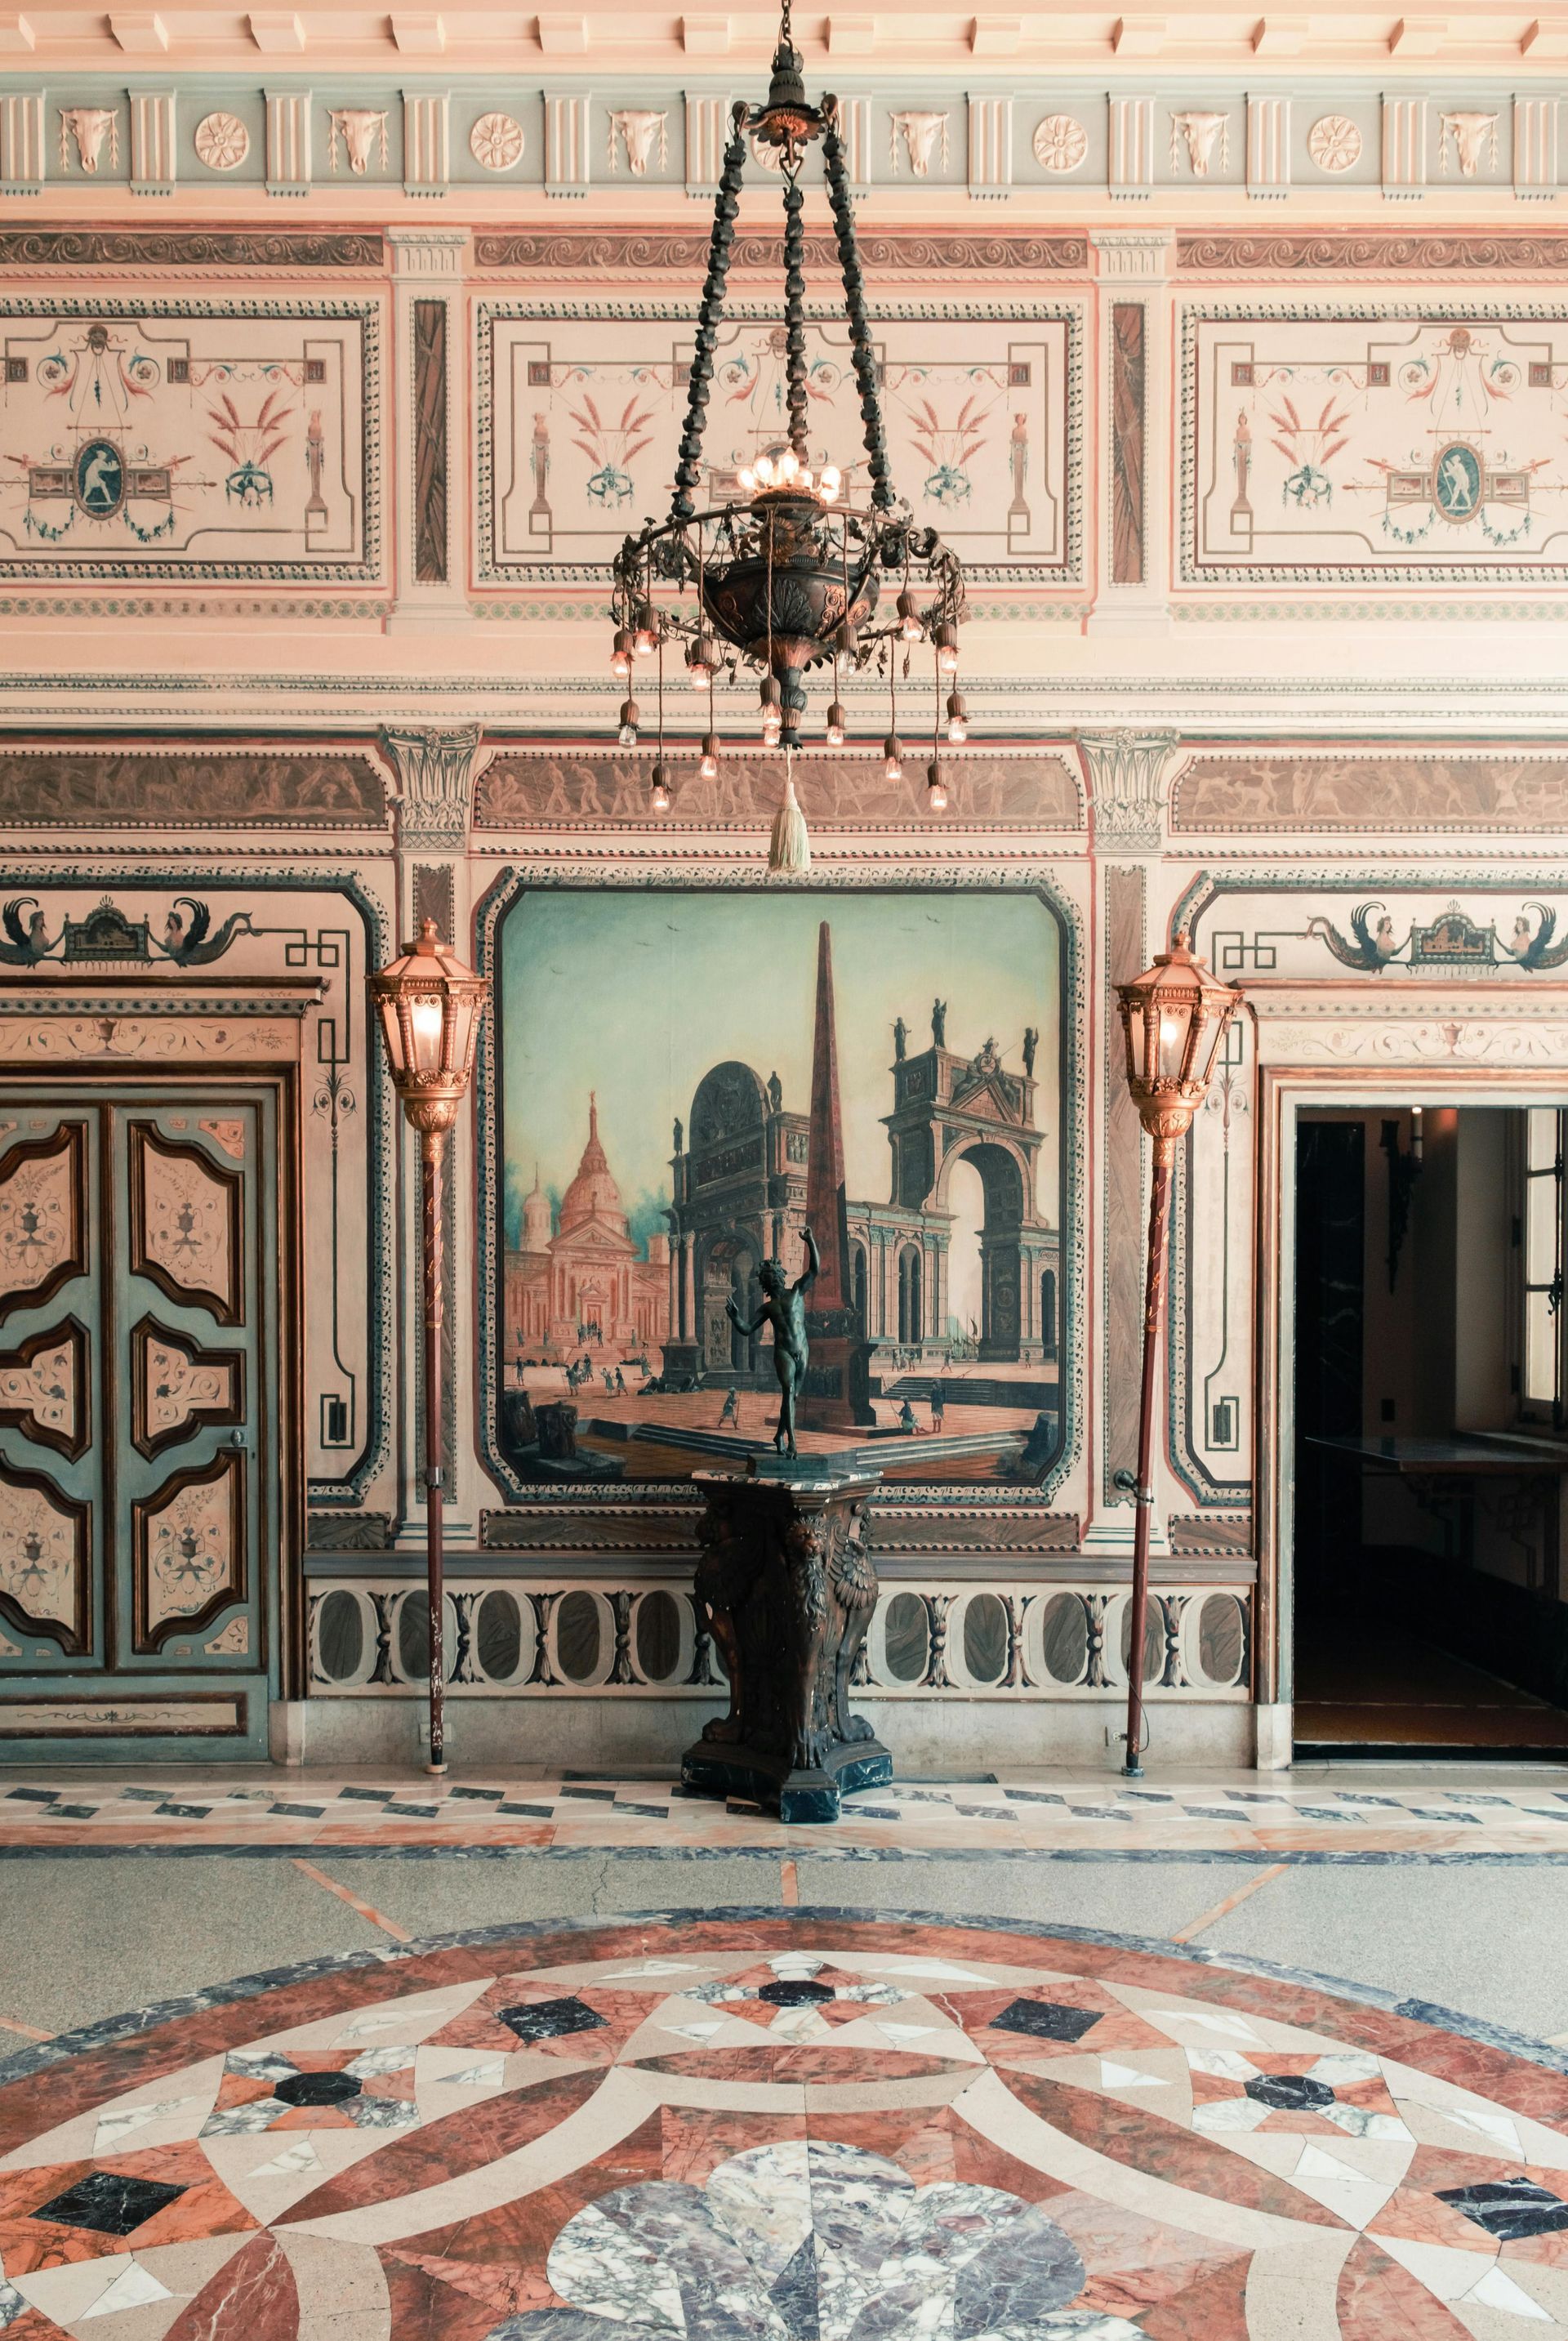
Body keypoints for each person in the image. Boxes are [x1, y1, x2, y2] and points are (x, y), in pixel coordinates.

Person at [727, 1227, 819, 1458]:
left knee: (793, 1398)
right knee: (789, 1391)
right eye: (768, 1276)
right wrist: (735, 1317)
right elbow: (747, 1329)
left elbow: (814, 1270)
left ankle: (778, 1435)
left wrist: (810, 1241)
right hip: (783, 1352)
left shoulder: (796, 1292)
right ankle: (792, 1443)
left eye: (774, 1274)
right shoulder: (767, 1307)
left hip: (803, 1350)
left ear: (780, 1276)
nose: (773, 1278)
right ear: (765, 1282)